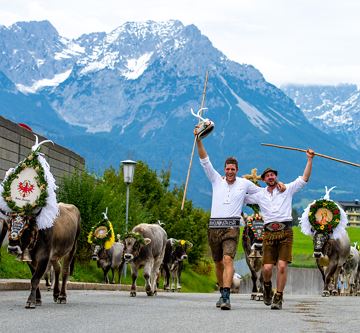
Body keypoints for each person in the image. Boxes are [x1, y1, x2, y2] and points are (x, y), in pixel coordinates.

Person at [195, 128, 267, 310]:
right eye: (227, 169)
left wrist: (277, 186)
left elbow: (262, 194)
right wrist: (198, 140)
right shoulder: (215, 180)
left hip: (231, 228)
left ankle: (226, 297)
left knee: (228, 260)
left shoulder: (244, 183)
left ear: (237, 170)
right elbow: (205, 161)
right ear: (224, 169)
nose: (229, 172)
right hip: (213, 228)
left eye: (233, 169)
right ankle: (222, 292)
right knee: (218, 263)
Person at [244, 149, 315, 310]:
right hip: (268, 233)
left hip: (286, 232)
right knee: (267, 268)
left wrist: (309, 159)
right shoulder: (259, 194)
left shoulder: (287, 189)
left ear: (276, 177)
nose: (271, 176)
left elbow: (304, 179)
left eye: (273, 174)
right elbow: (241, 195)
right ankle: (267, 286)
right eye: (267, 175)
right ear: (263, 179)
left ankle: (279, 297)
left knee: (282, 266)